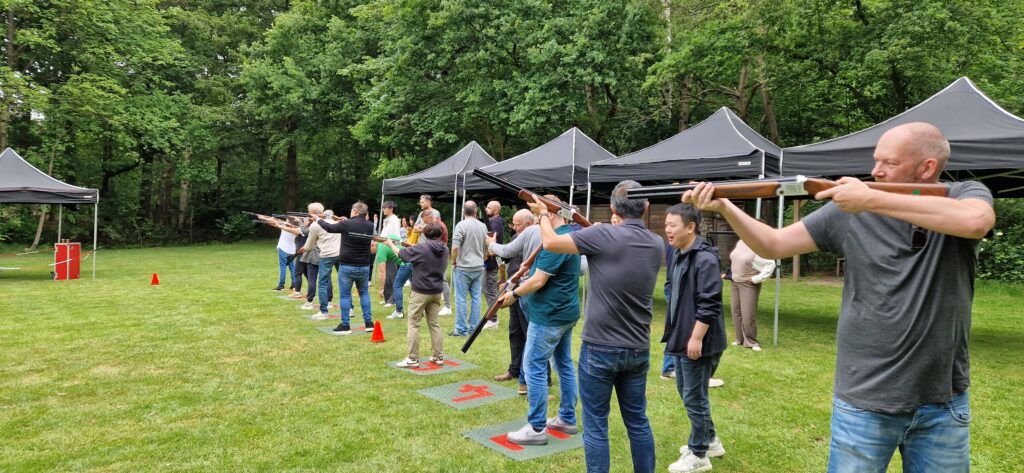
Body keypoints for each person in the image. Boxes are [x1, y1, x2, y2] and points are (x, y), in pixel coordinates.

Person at [683, 122, 994, 473]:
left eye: (888, 163)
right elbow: (774, 244)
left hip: (943, 401)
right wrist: (726, 206)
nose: (875, 171)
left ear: (927, 168)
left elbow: (976, 222)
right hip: (863, 399)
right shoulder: (848, 210)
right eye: (876, 160)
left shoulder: (963, 193)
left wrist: (871, 199)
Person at [529, 181, 665, 473]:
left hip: (599, 347)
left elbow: (551, 242)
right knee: (638, 422)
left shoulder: (603, 234)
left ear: (614, 208)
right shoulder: (656, 243)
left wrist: (542, 213)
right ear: (647, 207)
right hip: (638, 347)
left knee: (595, 427)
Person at [500, 196, 581, 446]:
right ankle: (567, 418)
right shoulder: (567, 236)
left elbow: (539, 281)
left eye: (540, 214)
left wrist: (513, 294)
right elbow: (536, 275)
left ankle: (536, 428)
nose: (536, 219)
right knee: (563, 363)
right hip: (564, 312)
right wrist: (518, 281)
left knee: (534, 365)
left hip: (549, 315)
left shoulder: (555, 242)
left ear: (552, 214)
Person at [662, 204, 728, 473]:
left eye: (673, 225)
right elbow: (671, 285)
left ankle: (699, 454)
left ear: (691, 227)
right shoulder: (678, 253)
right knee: (686, 391)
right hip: (681, 336)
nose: (667, 229)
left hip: (699, 341)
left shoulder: (705, 259)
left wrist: (696, 337)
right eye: (666, 224)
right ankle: (710, 439)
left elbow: (710, 303)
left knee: (694, 396)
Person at [488, 209, 550, 394]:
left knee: (531, 334)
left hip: (526, 288)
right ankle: (515, 370)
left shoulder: (536, 235)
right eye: (513, 224)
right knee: (515, 331)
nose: (514, 228)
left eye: (518, 224)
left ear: (530, 224)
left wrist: (492, 245)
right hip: (514, 287)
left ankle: (541, 377)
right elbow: (505, 256)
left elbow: (505, 251)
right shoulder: (519, 235)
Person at [386, 222, 449, 368]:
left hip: (420, 291)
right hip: (436, 291)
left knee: (414, 324)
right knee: (434, 323)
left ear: (425, 234)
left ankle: (412, 358)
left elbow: (401, 255)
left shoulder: (422, 248)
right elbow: (420, 251)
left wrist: (390, 244)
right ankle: (438, 356)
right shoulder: (444, 248)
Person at [318, 201, 377, 334]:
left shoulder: (347, 224)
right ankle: (369, 323)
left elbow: (329, 228)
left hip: (347, 266)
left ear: (355, 212)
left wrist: (318, 220)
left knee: (345, 295)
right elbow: (353, 225)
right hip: (363, 265)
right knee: (364, 293)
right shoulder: (370, 225)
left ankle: (345, 325)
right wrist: (344, 221)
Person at [449, 201, 488, 337]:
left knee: (461, 298)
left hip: (463, 267)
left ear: (463, 211)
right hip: (478, 266)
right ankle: (474, 328)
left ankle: (460, 329)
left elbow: (455, 247)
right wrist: (482, 259)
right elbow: (487, 247)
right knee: (476, 298)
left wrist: (453, 262)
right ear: (476, 212)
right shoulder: (483, 226)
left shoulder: (461, 225)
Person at [729, 239, 775, 351]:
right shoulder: (740, 242)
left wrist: (756, 279)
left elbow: (770, 263)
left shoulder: (757, 244)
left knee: (748, 314)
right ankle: (740, 339)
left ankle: (751, 342)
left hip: (748, 284)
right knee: (736, 312)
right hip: (735, 283)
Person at [303, 209, 341, 320]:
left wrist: (305, 248)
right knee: (344, 282)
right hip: (341, 254)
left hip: (327, 255)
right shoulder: (339, 223)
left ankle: (323, 311)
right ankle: (350, 309)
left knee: (322, 283)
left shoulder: (315, 225)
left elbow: (309, 245)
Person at [482, 200, 506, 330]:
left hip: (491, 259)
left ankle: (493, 320)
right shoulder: (494, 221)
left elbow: (493, 238)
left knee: (489, 289)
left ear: (496, 210)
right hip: (490, 259)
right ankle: (492, 318)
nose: (486, 209)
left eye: (489, 208)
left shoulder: (495, 222)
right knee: (487, 287)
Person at [273, 222, 298, 292]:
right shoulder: (296, 228)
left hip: (283, 249)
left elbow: (273, 223)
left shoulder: (284, 227)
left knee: (283, 267)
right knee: (292, 268)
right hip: (292, 250)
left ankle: (281, 285)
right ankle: (294, 284)